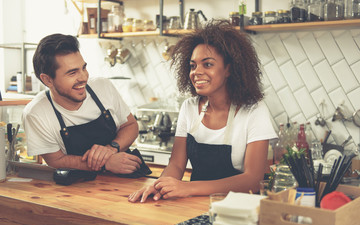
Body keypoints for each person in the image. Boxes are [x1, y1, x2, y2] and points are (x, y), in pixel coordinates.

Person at [128, 20, 277, 203]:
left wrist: (188, 187)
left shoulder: (254, 110)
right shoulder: (189, 107)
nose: (196, 72)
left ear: (229, 69)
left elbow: (253, 179)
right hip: (193, 204)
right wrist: (159, 185)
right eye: (193, 66)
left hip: (237, 208)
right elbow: (176, 164)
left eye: (207, 64)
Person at [22, 33, 142, 174]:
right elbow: (56, 160)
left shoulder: (103, 87)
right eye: (72, 73)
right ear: (47, 80)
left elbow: (130, 125)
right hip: (77, 187)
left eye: (83, 68)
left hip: (126, 176)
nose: (83, 77)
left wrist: (112, 148)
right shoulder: (36, 114)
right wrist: (105, 164)